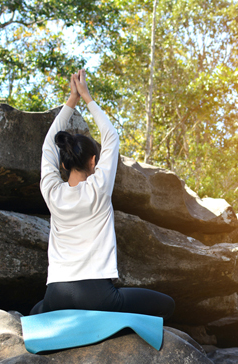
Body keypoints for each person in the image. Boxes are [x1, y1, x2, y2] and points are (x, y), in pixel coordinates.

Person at [30, 69, 175, 318]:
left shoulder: (53, 192)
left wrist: (71, 100)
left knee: (35, 311)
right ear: (94, 162)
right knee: (167, 304)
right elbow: (111, 136)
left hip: (55, 295)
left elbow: (47, 146)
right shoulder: (99, 187)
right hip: (95, 295)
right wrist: (87, 97)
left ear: (63, 165)